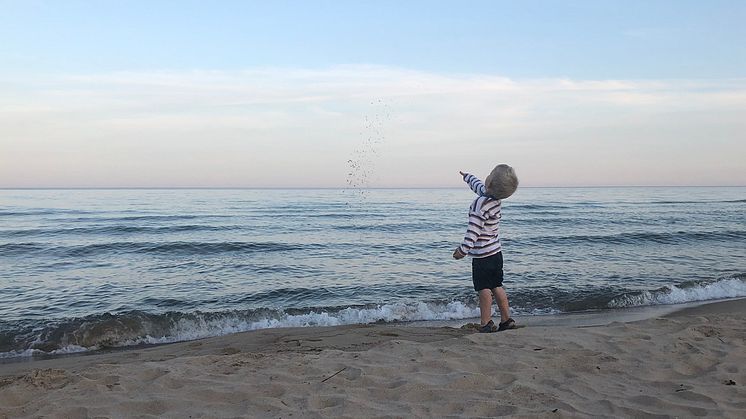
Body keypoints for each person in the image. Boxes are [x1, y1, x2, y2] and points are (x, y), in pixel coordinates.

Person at [453, 165, 519, 333]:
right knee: (497, 286)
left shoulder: (479, 205)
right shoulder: (495, 200)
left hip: (482, 256)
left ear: (489, 183)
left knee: (483, 289)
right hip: (496, 253)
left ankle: (486, 322)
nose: (486, 176)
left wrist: (463, 249)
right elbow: (480, 187)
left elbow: (473, 231)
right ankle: (506, 319)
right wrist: (467, 177)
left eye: (489, 175)